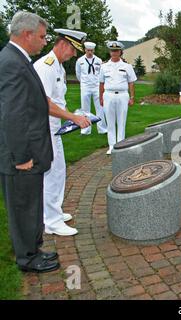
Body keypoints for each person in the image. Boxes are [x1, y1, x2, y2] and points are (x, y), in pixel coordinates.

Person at [0, 12, 88, 273]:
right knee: (23, 205)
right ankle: (28, 257)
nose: (43, 41)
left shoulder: (20, 60)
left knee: (34, 197)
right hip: (24, 148)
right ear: (26, 34)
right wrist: (21, 156)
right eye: (40, 36)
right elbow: (12, 115)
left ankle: (34, 248)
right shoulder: (15, 63)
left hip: (36, 139)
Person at [34, 28, 91, 237]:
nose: (74, 55)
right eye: (73, 50)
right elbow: (44, 102)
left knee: (57, 171)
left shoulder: (58, 67)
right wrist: (73, 117)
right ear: (63, 44)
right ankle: (51, 221)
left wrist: (71, 115)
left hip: (54, 125)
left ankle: (53, 212)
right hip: (44, 125)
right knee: (52, 173)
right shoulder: (46, 67)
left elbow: (58, 100)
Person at [99, 41, 137, 155]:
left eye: (116, 50)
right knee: (110, 122)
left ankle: (120, 145)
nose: (114, 52)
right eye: (112, 50)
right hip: (108, 95)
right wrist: (101, 97)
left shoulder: (127, 66)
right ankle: (111, 146)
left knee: (121, 121)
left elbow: (131, 83)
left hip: (122, 95)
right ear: (110, 52)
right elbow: (101, 83)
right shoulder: (104, 66)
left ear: (120, 52)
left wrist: (132, 97)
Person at [75, 41, 107, 135]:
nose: (90, 52)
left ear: (94, 50)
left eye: (92, 50)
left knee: (100, 108)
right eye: (88, 50)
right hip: (85, 86)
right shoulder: (80, 61)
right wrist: (84, 83)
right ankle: (85, 130)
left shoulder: (98, 60)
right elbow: (78, 74)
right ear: (85, 50)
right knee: (85, 109)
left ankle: (102, 129)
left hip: (96, 86)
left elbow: (101, 74)